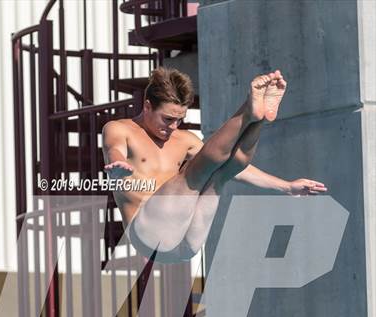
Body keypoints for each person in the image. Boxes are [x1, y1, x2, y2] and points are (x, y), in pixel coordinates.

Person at [102, 67, 327, 263]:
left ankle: (260, 118)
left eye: (179, 119)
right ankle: (248, 111)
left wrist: (286, 187)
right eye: (167, 119)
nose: (173, 126)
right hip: (149, 235)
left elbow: (240, 168)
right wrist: (117, 165)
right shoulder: (120, 129)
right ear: (148, 106)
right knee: (194, 174)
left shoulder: (184, 139)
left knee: (224, 173)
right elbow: (115, 149)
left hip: (186, 246)